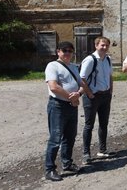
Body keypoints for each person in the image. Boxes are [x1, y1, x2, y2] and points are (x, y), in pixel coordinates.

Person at [44, 41, 86, 181]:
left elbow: (82, 85)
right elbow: (54, 87)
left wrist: (78, 94)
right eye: (64, 50)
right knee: (55, 139)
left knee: (70, 136)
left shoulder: (74, 67)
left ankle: (67, 164)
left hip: (71, 106)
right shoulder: (52, 66)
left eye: (70, 51)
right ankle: (49, 169)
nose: (67, 53)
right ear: (58, 52)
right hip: (58, 106)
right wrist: (71, 98)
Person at [79, 37, 114, 165]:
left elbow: (110, 76)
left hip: (105, 95)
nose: (104, 47)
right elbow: (81, 78)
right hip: (93, 97)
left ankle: (103, 150)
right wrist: (89, 93)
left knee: (104, 123)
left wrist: (110, 91)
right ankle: (86, 153)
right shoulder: (90, 60)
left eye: (106, 45)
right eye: (102, 45)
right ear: (96, 45)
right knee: (89, 125)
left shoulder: (108, 59)